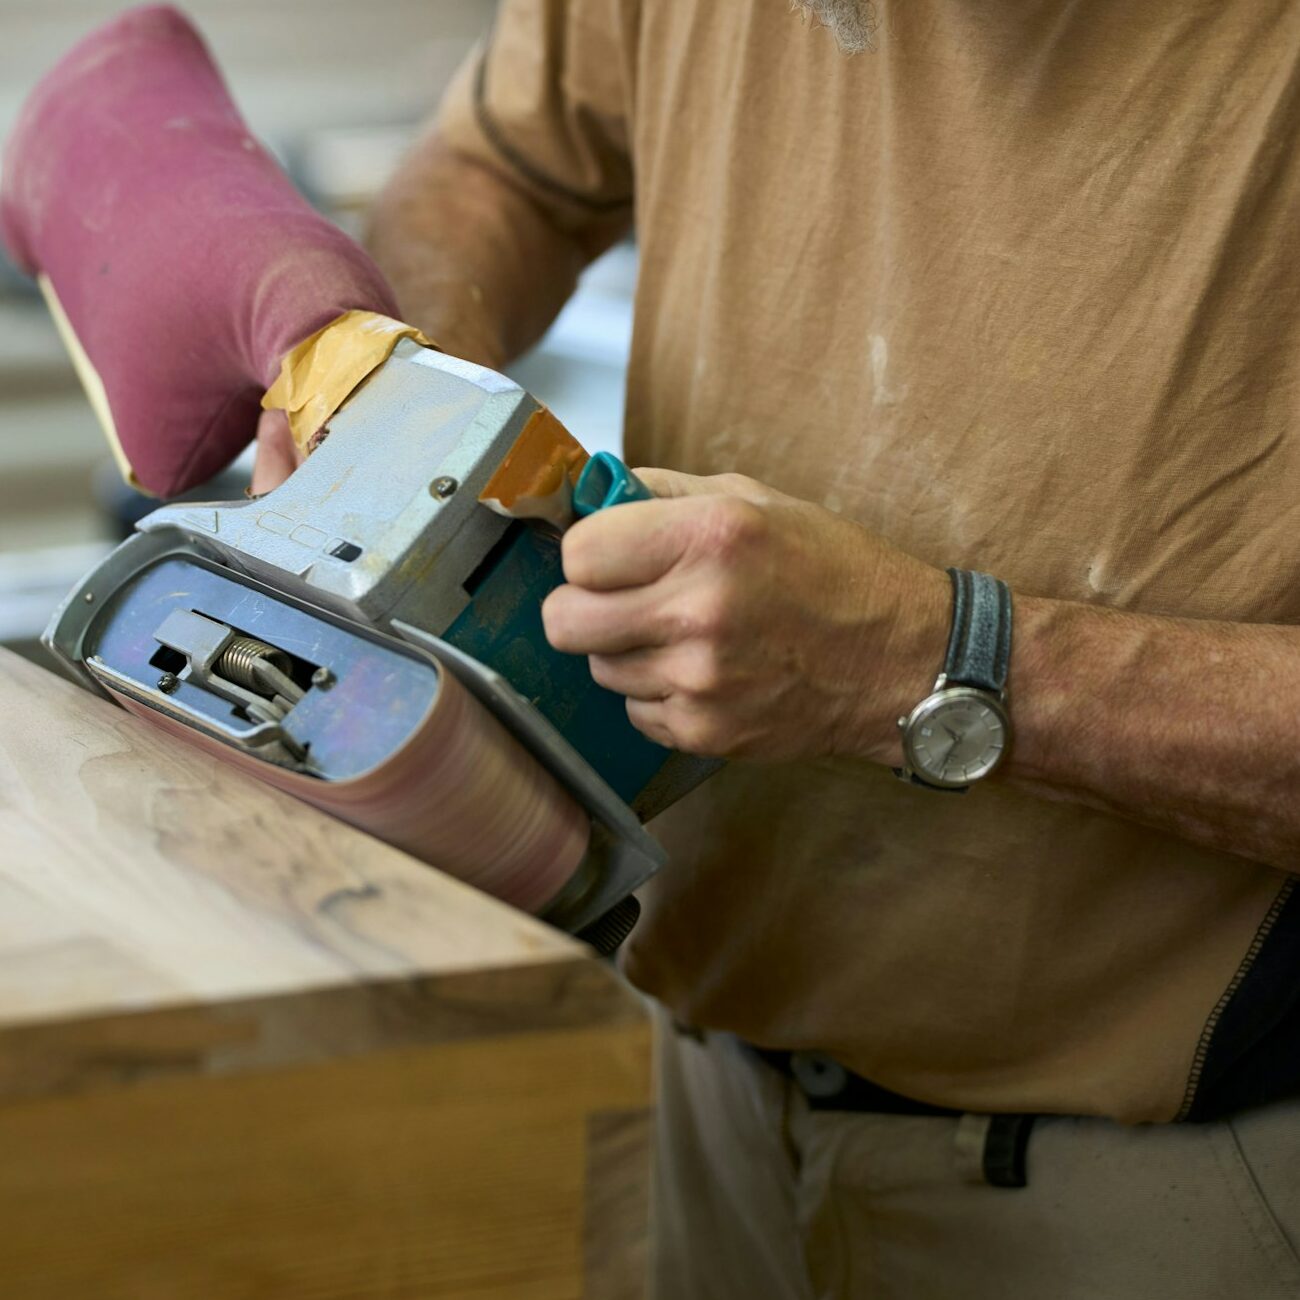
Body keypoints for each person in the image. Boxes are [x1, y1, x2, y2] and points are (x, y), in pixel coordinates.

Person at [311, 2, 1300, 1295]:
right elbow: (502, 166)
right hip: (702, 1072)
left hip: (1175, 1174)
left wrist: (931, 665)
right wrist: (415, 409)